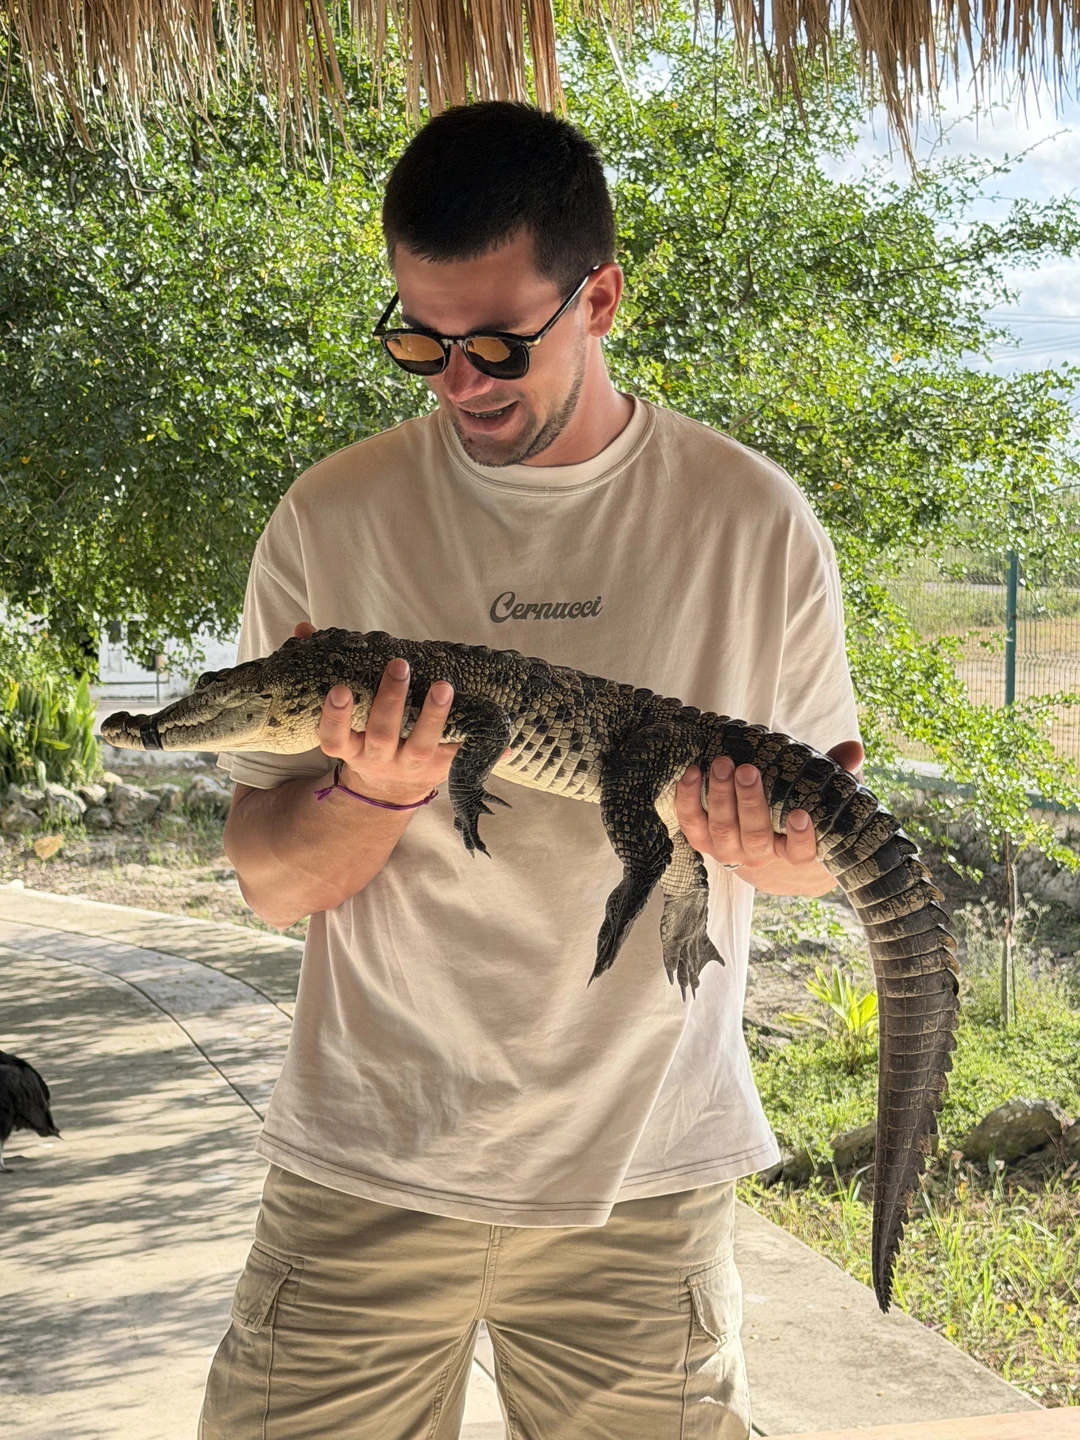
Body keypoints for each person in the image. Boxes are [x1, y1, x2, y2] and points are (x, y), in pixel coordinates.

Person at [200, 101, 863, 1440]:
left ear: (601, 297)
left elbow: (806, 856)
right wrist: (374, 794)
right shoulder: (333, 519)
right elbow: (273, 882)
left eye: (498, 340)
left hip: (641, 1172)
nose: (458, 380)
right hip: (370, 1157)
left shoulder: (750, 520)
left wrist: (781, 857)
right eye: (418, 340)